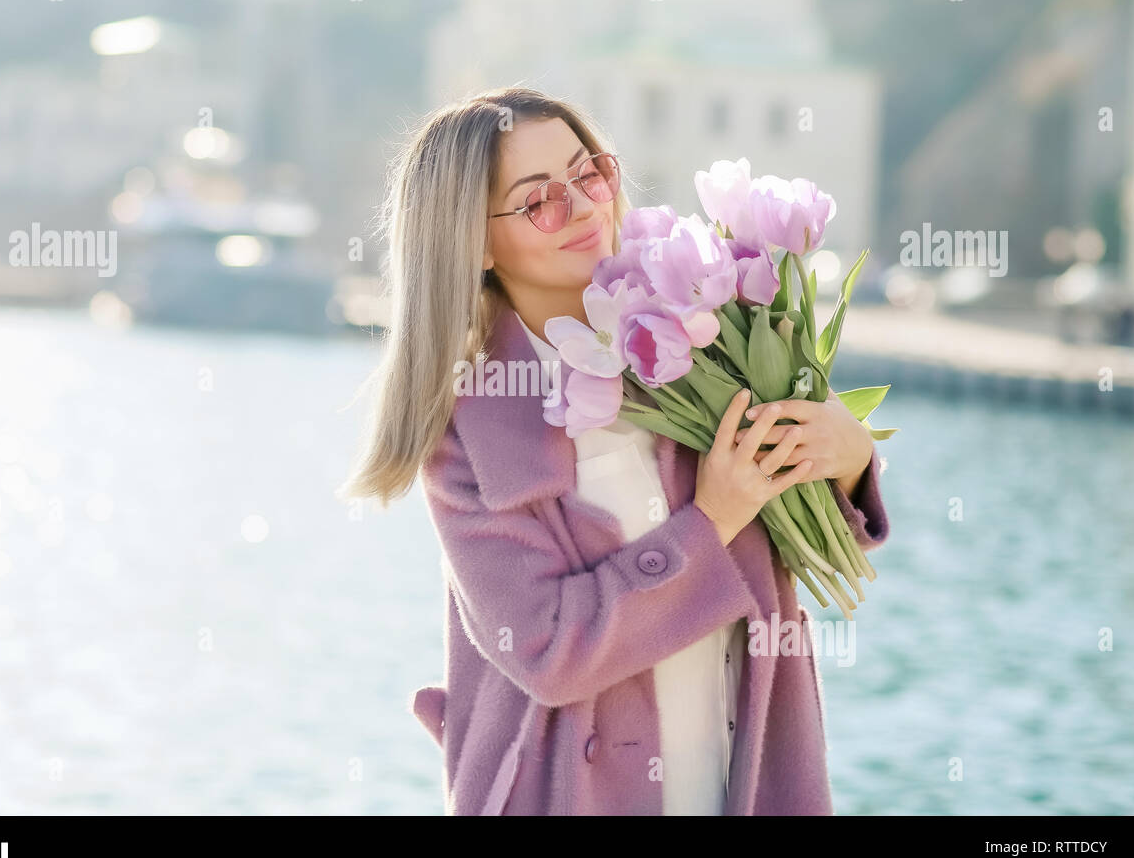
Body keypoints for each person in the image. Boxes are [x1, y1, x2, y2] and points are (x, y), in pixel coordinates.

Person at [339, 86, 889, 815]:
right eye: (539, 200)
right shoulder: (466, 429)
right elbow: (549, 653)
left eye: (588, 174)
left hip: (743, 779)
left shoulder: (704, 335)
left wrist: (847, 460)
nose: (585, 207)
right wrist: (710, 522)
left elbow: (805, 534)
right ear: (471, 240)